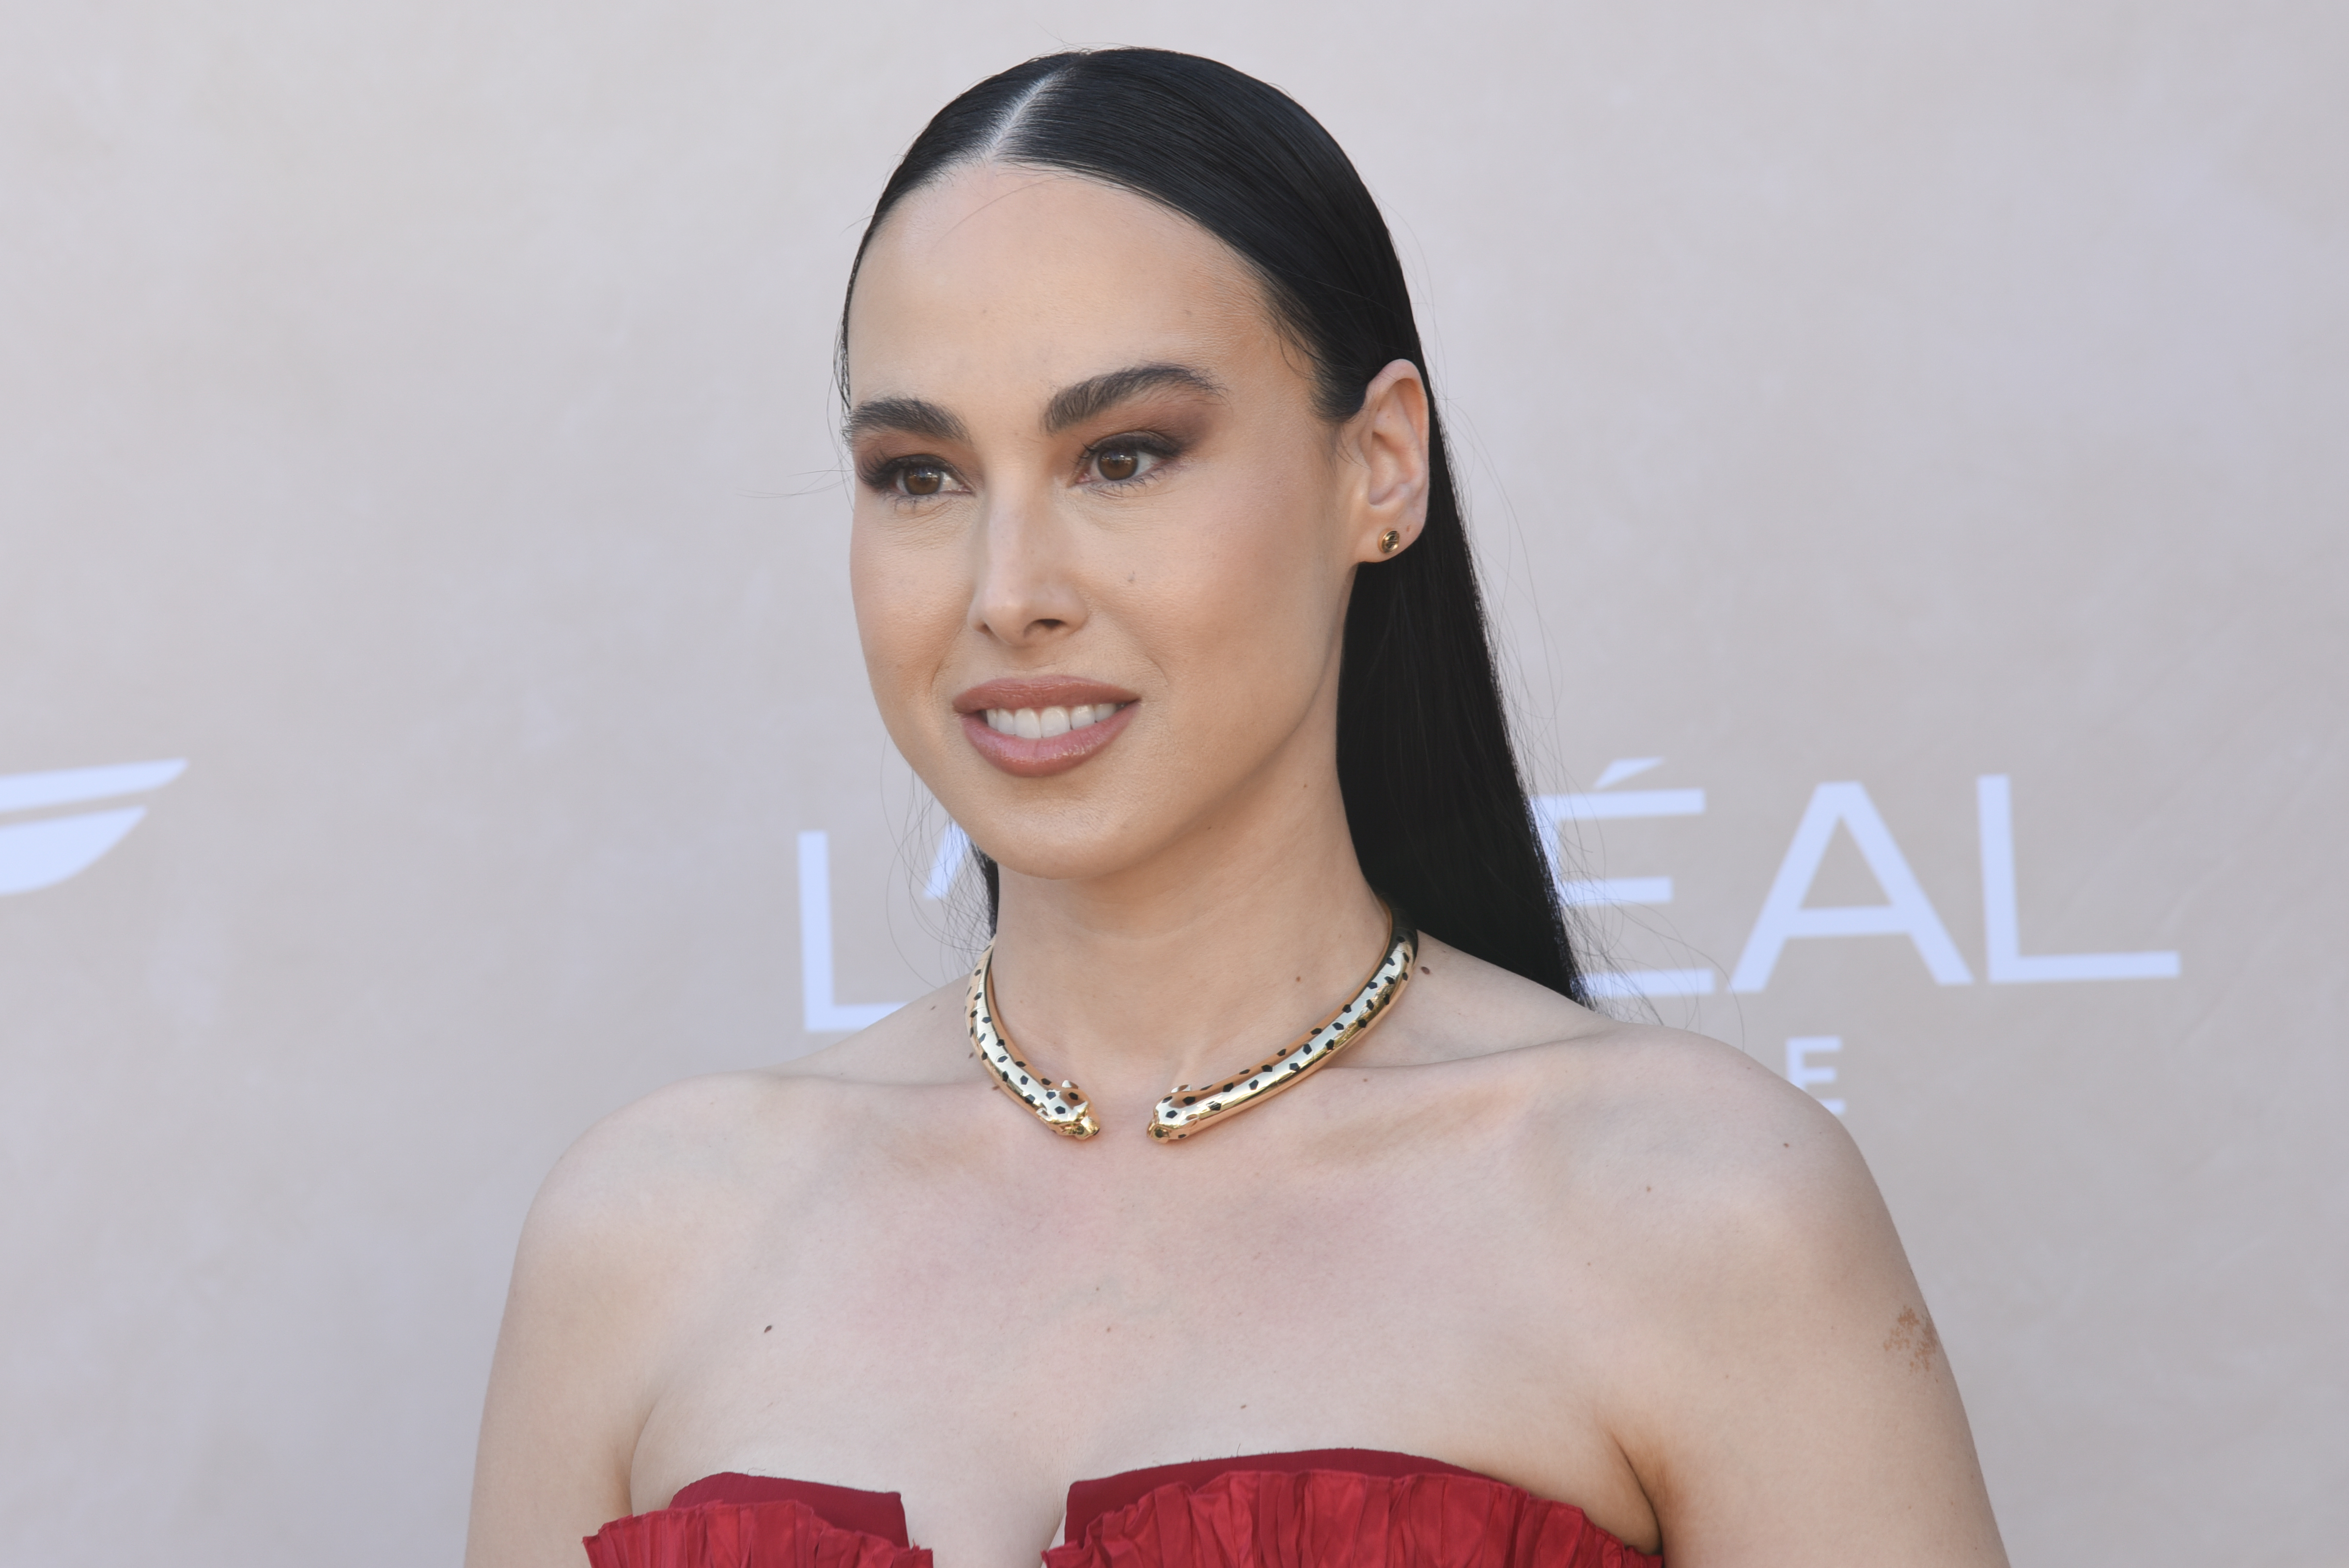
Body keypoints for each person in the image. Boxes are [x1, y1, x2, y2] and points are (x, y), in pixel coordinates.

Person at [464, 47, 2008, 1568]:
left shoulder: (1696, 1214)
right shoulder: (646, 1240)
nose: (1009, 595)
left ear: (1379, 467)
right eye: (919, 475)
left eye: (1122, 455)